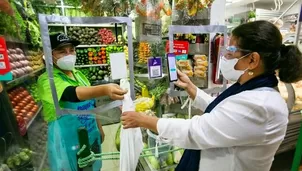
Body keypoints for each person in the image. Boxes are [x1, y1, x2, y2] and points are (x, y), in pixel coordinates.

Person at [121, 20, 302, 171]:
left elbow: (197, 131)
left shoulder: (261, 105)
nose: (226, 56)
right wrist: (192, 89)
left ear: (252, 60)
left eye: (232, 51)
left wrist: (144, 120)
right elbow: (223, 113)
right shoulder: (251, 89)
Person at [37, 33, 127, 171]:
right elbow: (71, 94)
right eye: (62, 51)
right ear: (49, 55)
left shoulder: (78, 74)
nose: (68, 54)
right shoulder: (46, 80)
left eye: (71, 50)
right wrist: (104, 89)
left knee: (94, 167)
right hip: (67, 141)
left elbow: (92, 104)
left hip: (90, 134)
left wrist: (99, 128)